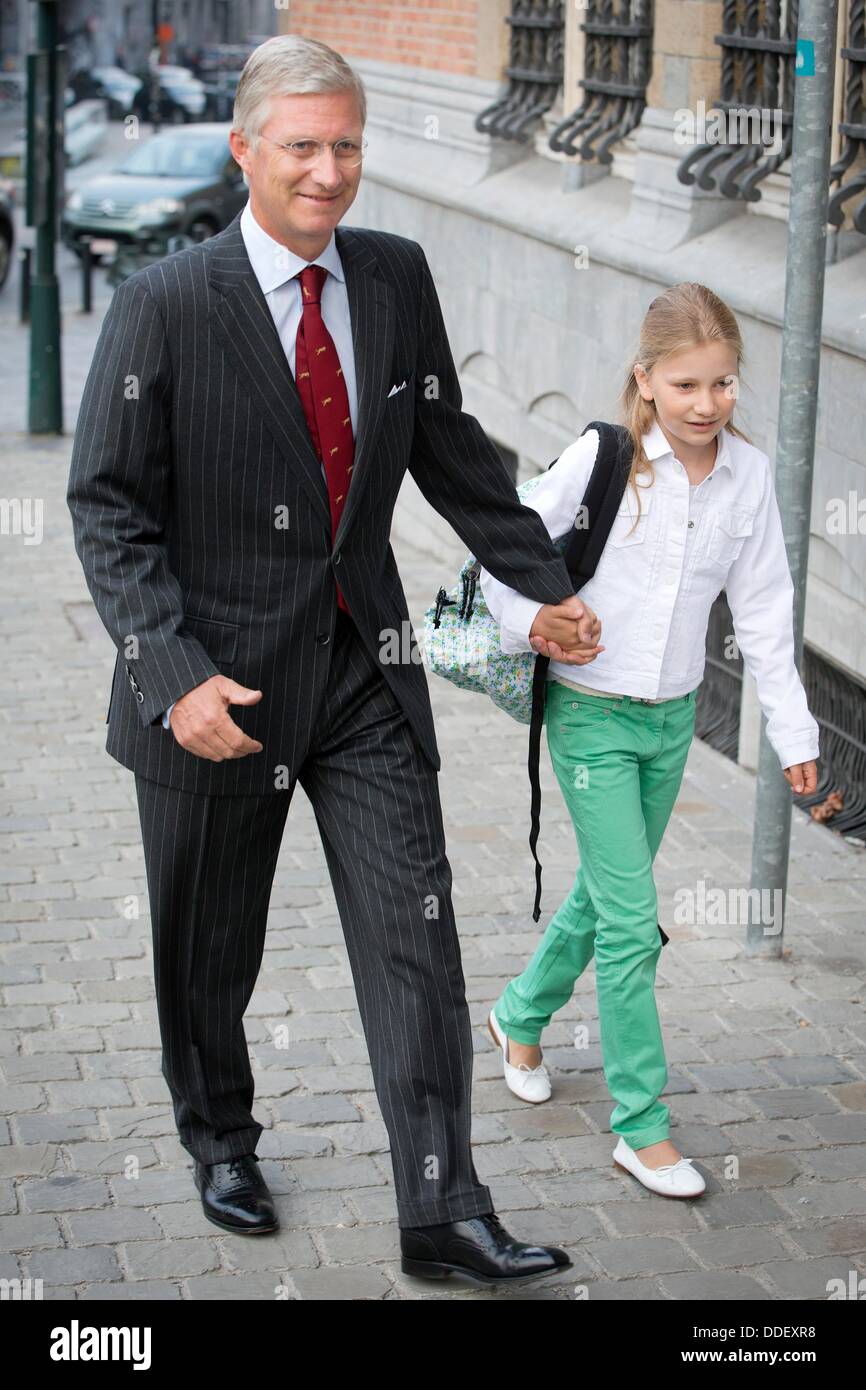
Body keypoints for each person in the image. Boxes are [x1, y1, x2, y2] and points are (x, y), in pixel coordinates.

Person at [65, 34, 603, 1286]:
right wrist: (171, 671)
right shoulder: (164, 303)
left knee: (414, 933)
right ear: (244, 149)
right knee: (210, 951)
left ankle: (441, 1210)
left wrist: (547, 587)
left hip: (366, 667)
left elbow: (449, 449)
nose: (325, 171)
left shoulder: (395, 276)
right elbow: (105, 508)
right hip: (219, 691)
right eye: (300, 145)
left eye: (345, 145)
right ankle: (220, 1140)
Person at [479, 282, 820, 1200]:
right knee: (634, 921)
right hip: (590, 713)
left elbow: (765, 612)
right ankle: (641, 1124)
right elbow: (503, 554)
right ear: (646, 380)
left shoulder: (747, 479)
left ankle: (517, 1012)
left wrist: (792, 733)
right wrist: (541, 622)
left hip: (673, 722)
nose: (707, 404)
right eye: (686, 386)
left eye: (723, 384)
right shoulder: (605, 459)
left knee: (601, 894)